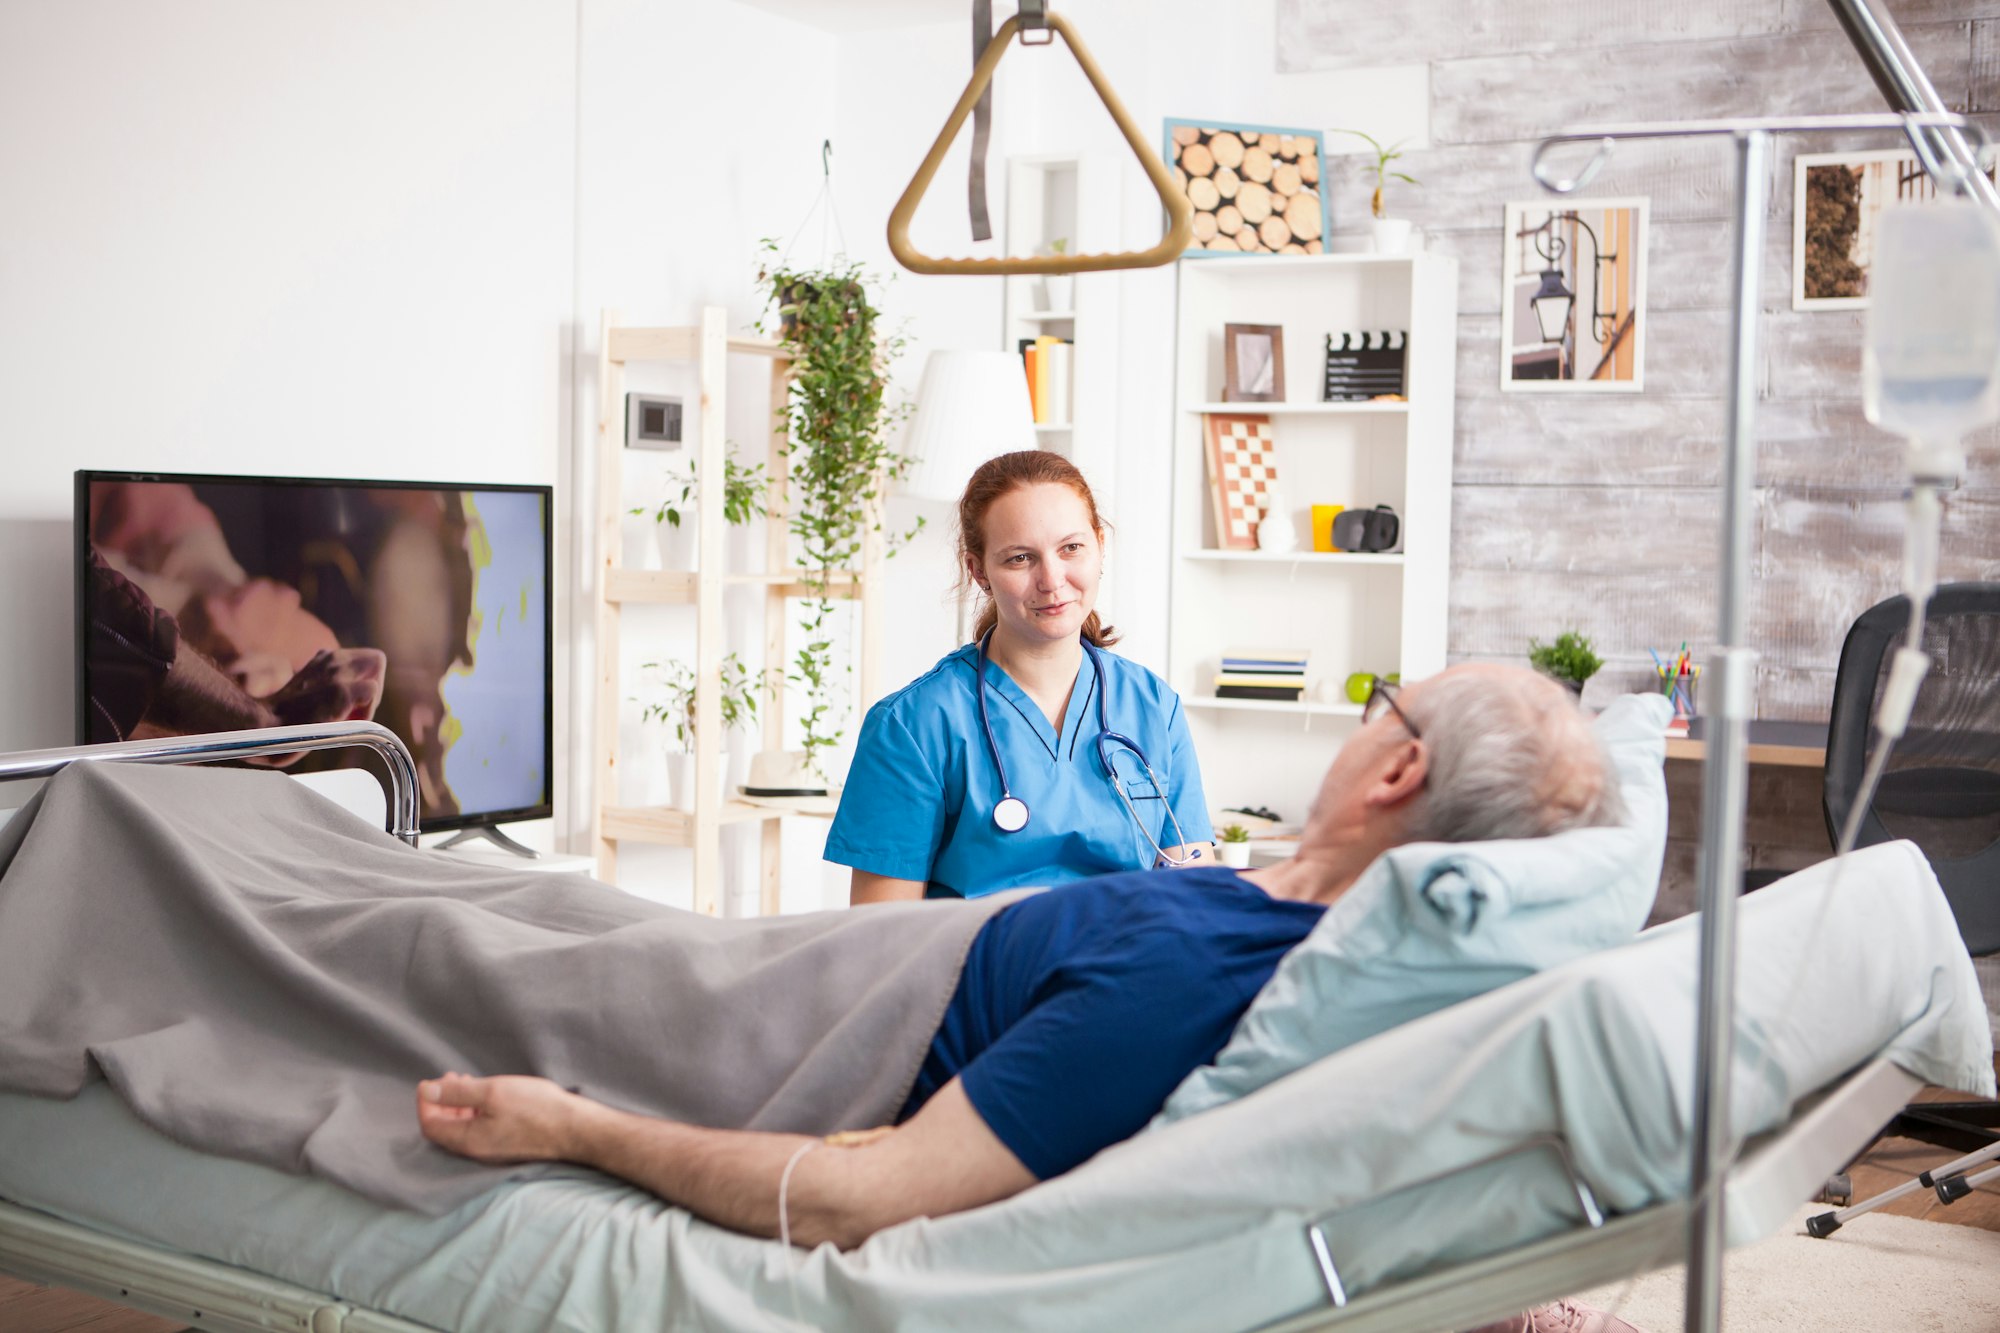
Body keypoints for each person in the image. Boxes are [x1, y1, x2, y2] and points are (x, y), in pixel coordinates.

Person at [418, 662, 1626, 1257]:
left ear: (1396, 771)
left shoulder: (1199, 973)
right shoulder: (1261, 903)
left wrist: (570, 1128)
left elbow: (861, 1194)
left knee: (417, 925)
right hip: (806, 962)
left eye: (1383, 704)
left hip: (790, 1020)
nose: (1368, 717)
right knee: (486, 892)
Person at [825, 450, 1214, 905]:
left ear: (1100, 547)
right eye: (1020, 558)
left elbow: (1192, 898)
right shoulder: (912, 725)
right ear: (978, 572)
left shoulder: (1152, 706)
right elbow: (883, 937)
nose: (1052, 580)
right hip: (983, 971)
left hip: (1124, 965)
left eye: (1071, 548)